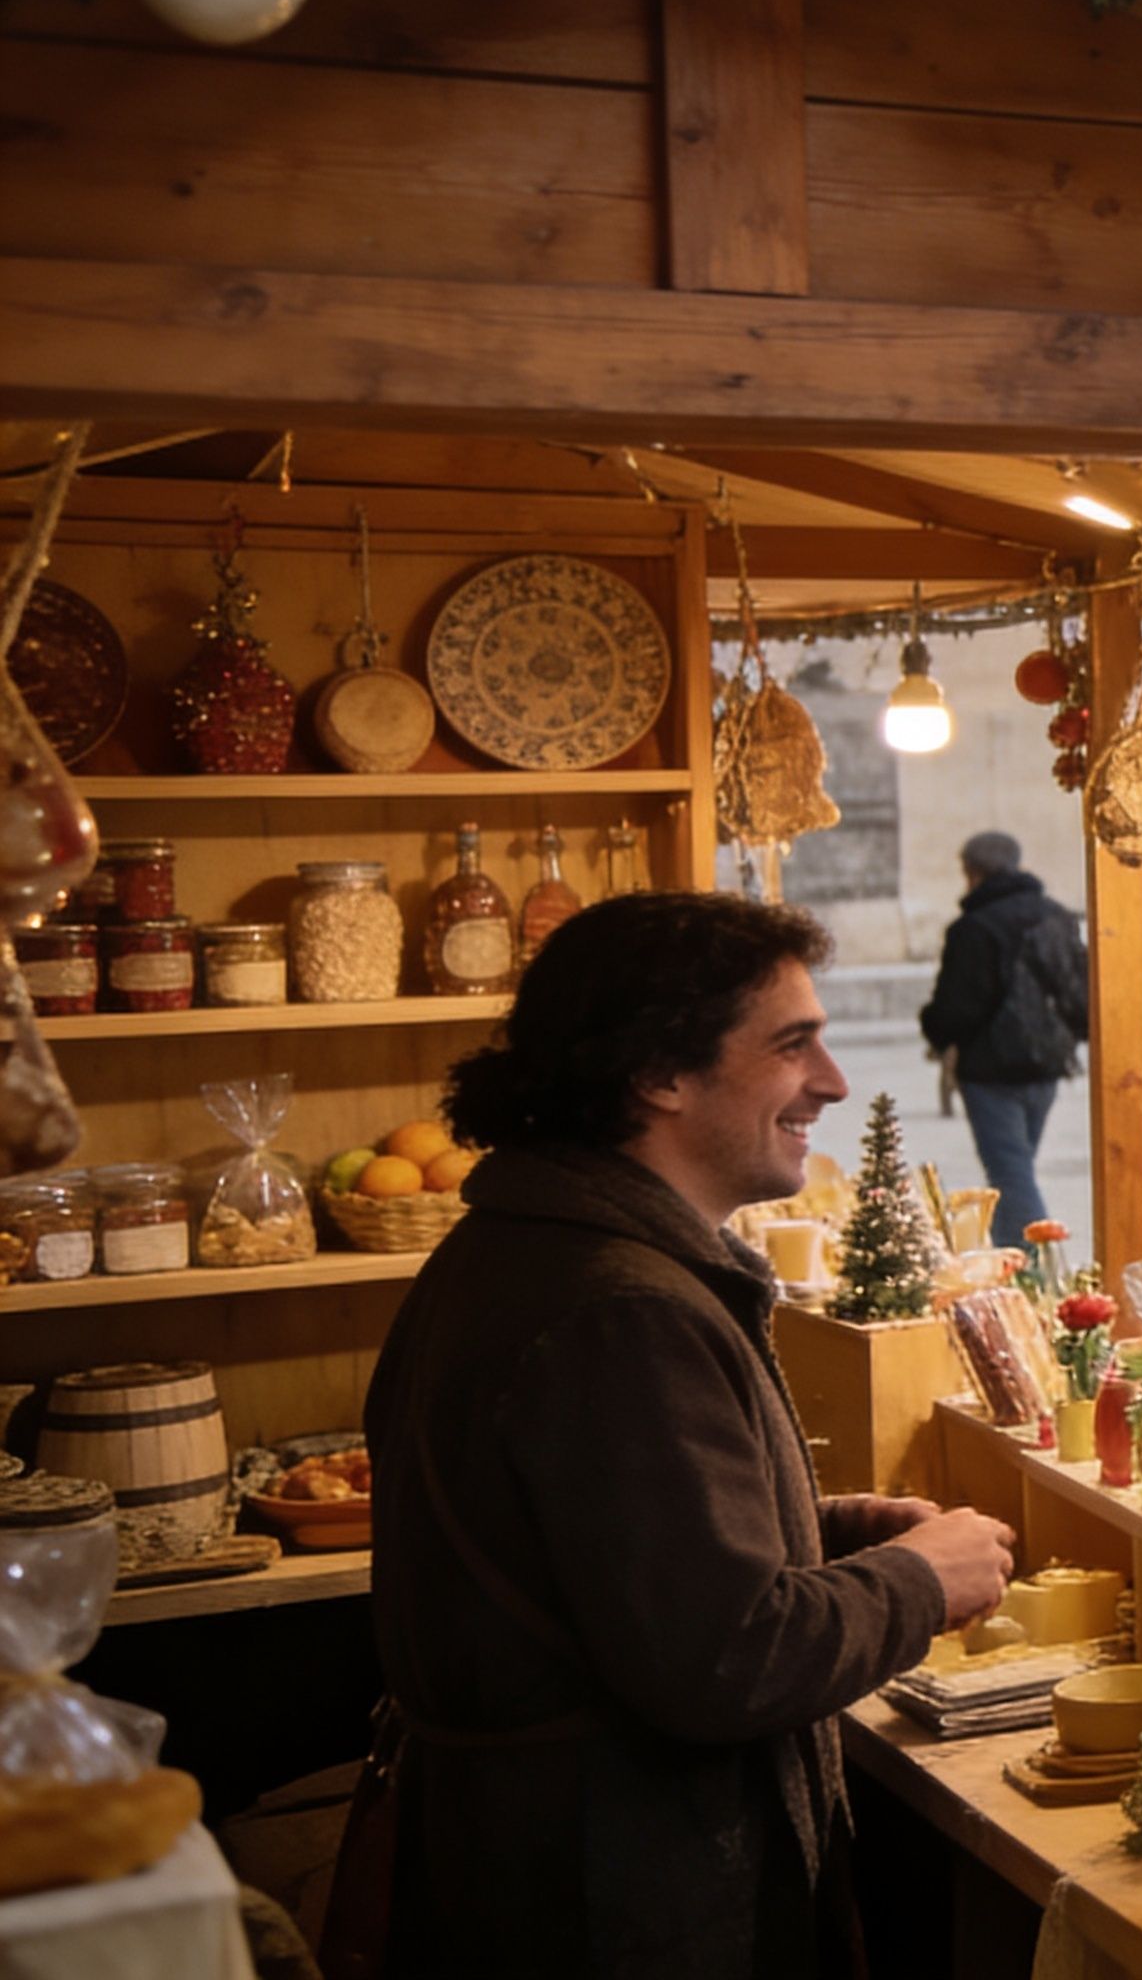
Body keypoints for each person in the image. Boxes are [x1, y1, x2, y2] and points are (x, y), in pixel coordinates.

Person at [359, 894, 1019, 1974]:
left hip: (544, 1865)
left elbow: (606, 1560)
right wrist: (917, 1581)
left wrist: (825, 1530)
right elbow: (725, 1660)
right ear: (661, 1073)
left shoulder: (528, 1247)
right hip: (619, 1900)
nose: (834, 1082)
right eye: (792, 1044)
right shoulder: (622, 1312)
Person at [917, 829, 1089, 1249]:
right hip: (1047, 1062)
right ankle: (1006, 1253)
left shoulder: (973, 928)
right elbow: (1076, 986)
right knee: (1016, 1169)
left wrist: (935, 1029)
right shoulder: (1056, 916)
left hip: (992, 1068)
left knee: (1010, 1174)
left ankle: (1033, 1269)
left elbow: (959, 1005)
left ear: (972, 872)